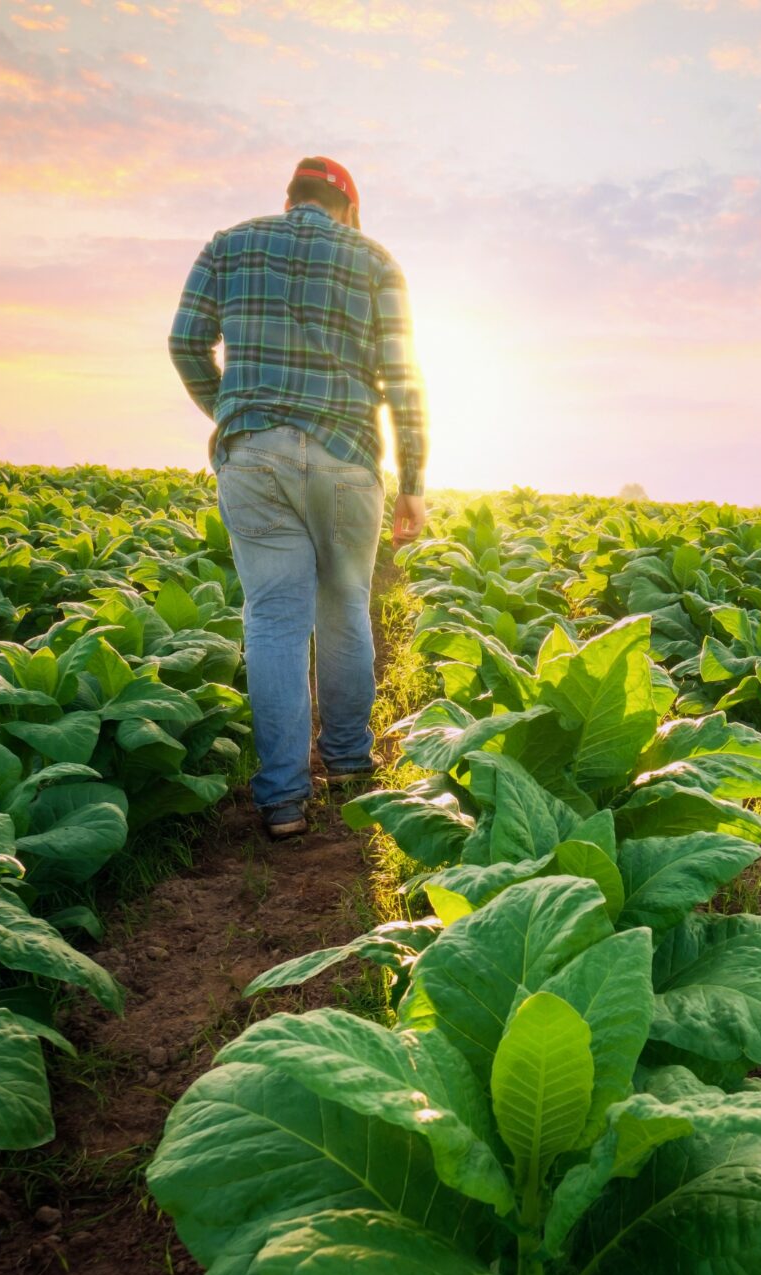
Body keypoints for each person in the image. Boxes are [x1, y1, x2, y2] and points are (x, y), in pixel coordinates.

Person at [169, 155, 428, 840]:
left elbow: (185, 342)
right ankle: (346, 764)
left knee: (275, 621)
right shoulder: (374, 259)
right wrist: (414, 483)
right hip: (347, 457)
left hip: (253, 455)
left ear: (292, 199)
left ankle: (283, 802)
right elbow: (402, 379)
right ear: (347, 207)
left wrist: (231, 410)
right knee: (345, 610)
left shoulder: (228, 244)